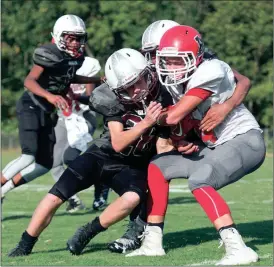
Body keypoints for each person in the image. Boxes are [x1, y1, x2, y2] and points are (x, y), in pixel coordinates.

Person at [7, 48, 174, 257]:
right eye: (127, 88)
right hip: (102, 155)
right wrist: (147, 122)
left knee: (132, 198)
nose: (136, 91)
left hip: (134, 165)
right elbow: (118, 143)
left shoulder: (164, 94)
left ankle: (87, 232)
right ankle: (25, 244)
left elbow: (164, 144)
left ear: (147, 74)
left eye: (138, 82)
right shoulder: (111, 98)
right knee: (55, 196)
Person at [108, 19, 252, 254]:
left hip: (200, 131)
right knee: (151, 169)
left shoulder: (204, 65)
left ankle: (137, 232)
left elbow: (243, 81)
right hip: (166, 128)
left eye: (158, 53)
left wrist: (227, 106)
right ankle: (145, 237)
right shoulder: (150, 73)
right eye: (150, 54)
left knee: (191, 177)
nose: (155, 60)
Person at [1, 14, 100, 201]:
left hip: (47, 112)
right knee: (28, 157)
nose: (74, 42)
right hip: (31, 105)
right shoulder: (50, 53)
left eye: (78, 38)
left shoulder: (75, 59)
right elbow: (29, 81)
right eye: (70, 37)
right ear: (59, 35)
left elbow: (69, 78)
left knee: (45, 165)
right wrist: (50, 96)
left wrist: (97, 80)